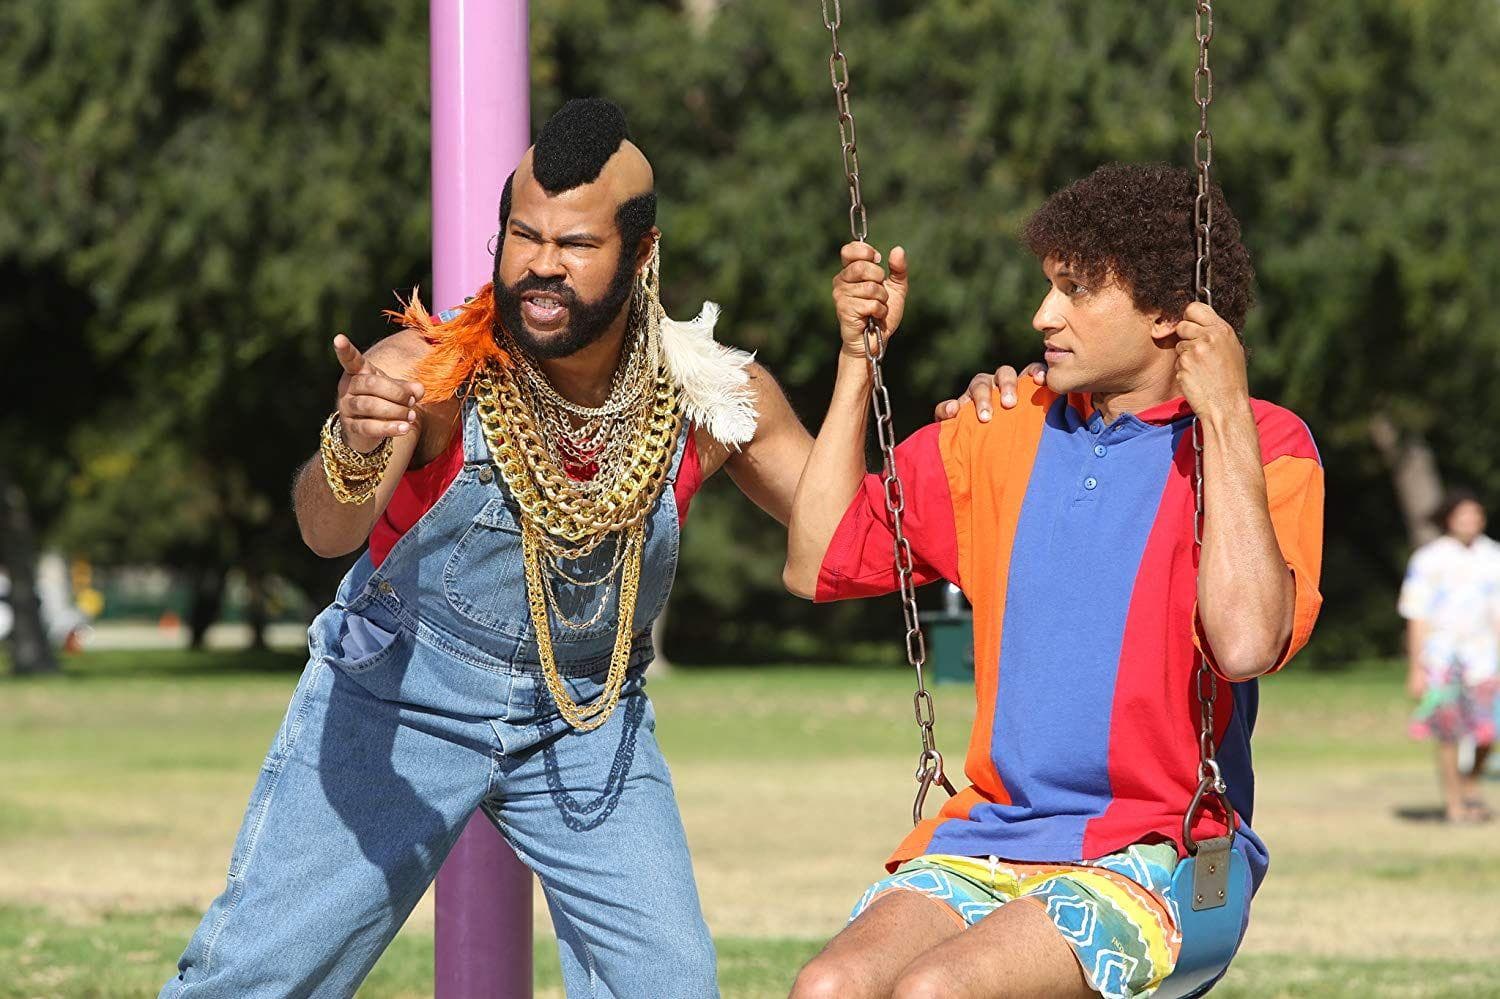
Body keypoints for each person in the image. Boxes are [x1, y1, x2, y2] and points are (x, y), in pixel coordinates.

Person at [158, 97, 1025, 998]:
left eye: (576, 243)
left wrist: (871, 371)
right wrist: (354, 443)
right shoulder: (429, 372)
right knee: (259, 978)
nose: (542, 264)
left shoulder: (709, 395)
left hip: (588, 717)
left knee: (670, 983)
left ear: (642, 254)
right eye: (524, 236)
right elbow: (324, 532)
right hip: (400, 698)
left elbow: (850, 541)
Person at [784, 163, 1325, 999]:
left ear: (1167, 313)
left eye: (1075, 289)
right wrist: (859, 362)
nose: (1044, 314)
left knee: (938, 992)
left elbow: (1247, 641)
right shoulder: (1001, 427)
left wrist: (1221, 411)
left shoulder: (1266, 444)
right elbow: (816, 560)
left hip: (1160, 851)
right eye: (1049, 286)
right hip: (991, 836)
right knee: (828, 986)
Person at [1400, 490, 1500, 823]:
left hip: (1484, 658)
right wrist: (1416, 667)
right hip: (1442, 659)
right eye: (1463, 515)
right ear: (1449, 518)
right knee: (1448, 734)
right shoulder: (1429, 559)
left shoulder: (1492, 556)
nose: (1470, 521)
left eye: (1475, 514)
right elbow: (1417, 614)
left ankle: (1470, 784)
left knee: (1488, 732)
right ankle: (1455, 804)